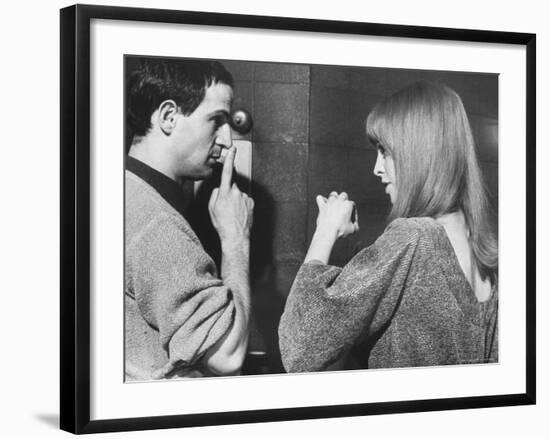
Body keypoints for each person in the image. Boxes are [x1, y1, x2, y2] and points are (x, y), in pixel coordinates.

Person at [278, 81, 498, 372]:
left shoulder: (414, 237)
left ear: (418, 153)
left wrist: (325, 230)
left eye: (385, 151)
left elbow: (300, 347)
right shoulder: (485, 251)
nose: (377, 168)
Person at [125, 58, 254, 380]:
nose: (226, 140)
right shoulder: (155, 221)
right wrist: (236, 238)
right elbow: (227, 354)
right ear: (169, 117)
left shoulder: (123, 191)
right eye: (216, 121)